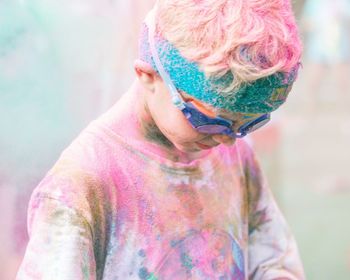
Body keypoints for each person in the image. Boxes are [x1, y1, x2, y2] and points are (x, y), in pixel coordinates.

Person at [16, 0, 304, 279]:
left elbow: (271, 258)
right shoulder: (80, 186)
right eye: (206, 120)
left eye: (248, 124)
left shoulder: (233, 152)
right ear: (148, 75)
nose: (228, 139)